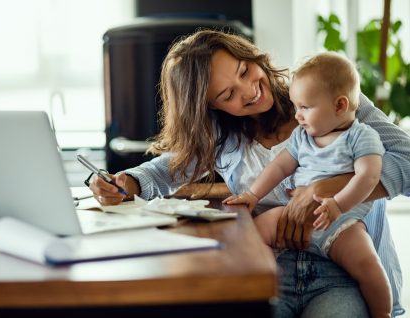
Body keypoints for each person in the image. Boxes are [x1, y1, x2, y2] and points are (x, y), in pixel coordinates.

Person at [89, 30, 408, 317]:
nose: (249, 91)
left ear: (250, 55)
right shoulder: (222, 135)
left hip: (346, 270)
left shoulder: (327, 94)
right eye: (227, 95)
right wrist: (125, 182)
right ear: (211, 107)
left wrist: (329, 188)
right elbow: (167, 168)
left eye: (244, 70)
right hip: (272, 269)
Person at [223, 52, 391, 317]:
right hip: (294, 213)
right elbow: (279, 166)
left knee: (367, 263)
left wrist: (337, 204)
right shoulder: (302, 137)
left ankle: (383, 312)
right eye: (296, 106)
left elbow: (368, 177)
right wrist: (253, 195)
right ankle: (266, 283)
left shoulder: (361, 136)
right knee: (254, 231)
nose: (297, 115)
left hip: (341, 222)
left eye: (305, 108)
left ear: (339, 106)